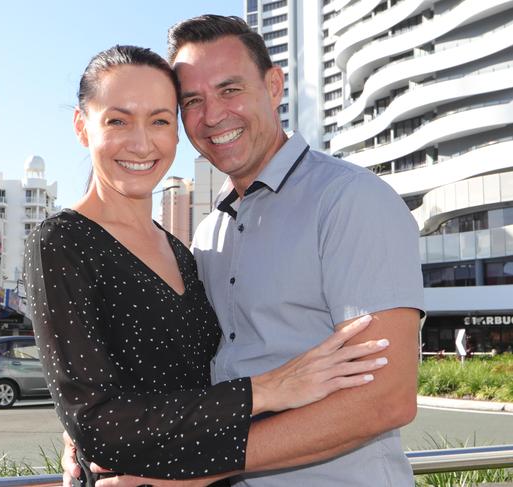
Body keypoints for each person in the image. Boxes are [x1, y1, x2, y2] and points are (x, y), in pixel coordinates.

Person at [62, 15, 425, 487]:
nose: (213, 116)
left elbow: (386, 398)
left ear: (274, 86)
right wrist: (93, 432)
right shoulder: (208, 235)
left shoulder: (350, 200)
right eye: (192, 100)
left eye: (230, 90)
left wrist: (194, 469)